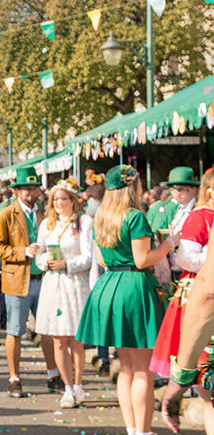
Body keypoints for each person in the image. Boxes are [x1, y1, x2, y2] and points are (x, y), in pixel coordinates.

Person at [77, 164, 173, 435]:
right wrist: (167, 245)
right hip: (133, 287)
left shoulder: (102, 217)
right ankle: (143, 432)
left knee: (126, 367)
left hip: (109, 287)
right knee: (143, 370)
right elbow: (143, 259)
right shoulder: (135, 216)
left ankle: (132, 429)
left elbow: (99, 259)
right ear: (133, 186)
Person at [0, 165, 59, 398]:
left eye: (34, 188)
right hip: (17, 280)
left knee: (49, 330)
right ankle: (14, 378)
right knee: (15, 331)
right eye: (26, 189)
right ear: (16, 190)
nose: (31, 192)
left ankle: (53, 374)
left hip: (44, 278)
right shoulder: (6, 214)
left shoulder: (46, 214)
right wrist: (24, 252)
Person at [33, 179, 94, 409]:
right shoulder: (47, 224)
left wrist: (67, 264)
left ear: (73, 200)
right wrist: (45, 262)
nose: (58, 203)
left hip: (75, 284)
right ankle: (67, 388)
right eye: (55, 199)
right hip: (53, 285)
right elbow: (40, 253)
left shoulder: (84, 222)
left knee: (75, 339)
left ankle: (78, 384)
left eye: (63, 198)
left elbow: (88, 257)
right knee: (58, 339)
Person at [151, 166, 213, 379]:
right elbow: (186, 257)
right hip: (195, 281)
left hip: (198, 278)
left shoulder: (197, 213)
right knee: (193, 335)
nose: (177, 193)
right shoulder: (194, 214)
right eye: (175, 189)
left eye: (182, 188)